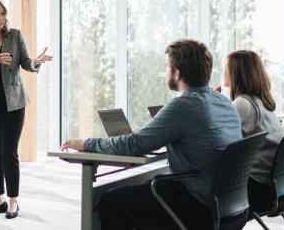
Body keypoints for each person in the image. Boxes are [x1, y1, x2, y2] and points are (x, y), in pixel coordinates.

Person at [61, 39, 242, 229]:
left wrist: (85, 143)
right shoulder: (222, 102)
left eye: (167, 67)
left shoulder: (185, 105)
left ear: (177, 73)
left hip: (198, 204)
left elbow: (133, 145)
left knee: (110, 201)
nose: (166, 72)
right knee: (147, 188)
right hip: (227, 204)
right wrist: (150, 132)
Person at [0, 0, 53, 219]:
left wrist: (36, 62)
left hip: (13, 102)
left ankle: (13, 201)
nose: (0, 17)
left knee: (9, 152)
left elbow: (25, 62)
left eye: (3, 13)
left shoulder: (15, 36)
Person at [220, 50, 283, 211]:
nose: (223, 71)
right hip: (269, 185)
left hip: (253, 188)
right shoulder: (261, 102)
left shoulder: (242, 104)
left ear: (237, 73)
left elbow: (215, 138)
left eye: (226, 67)